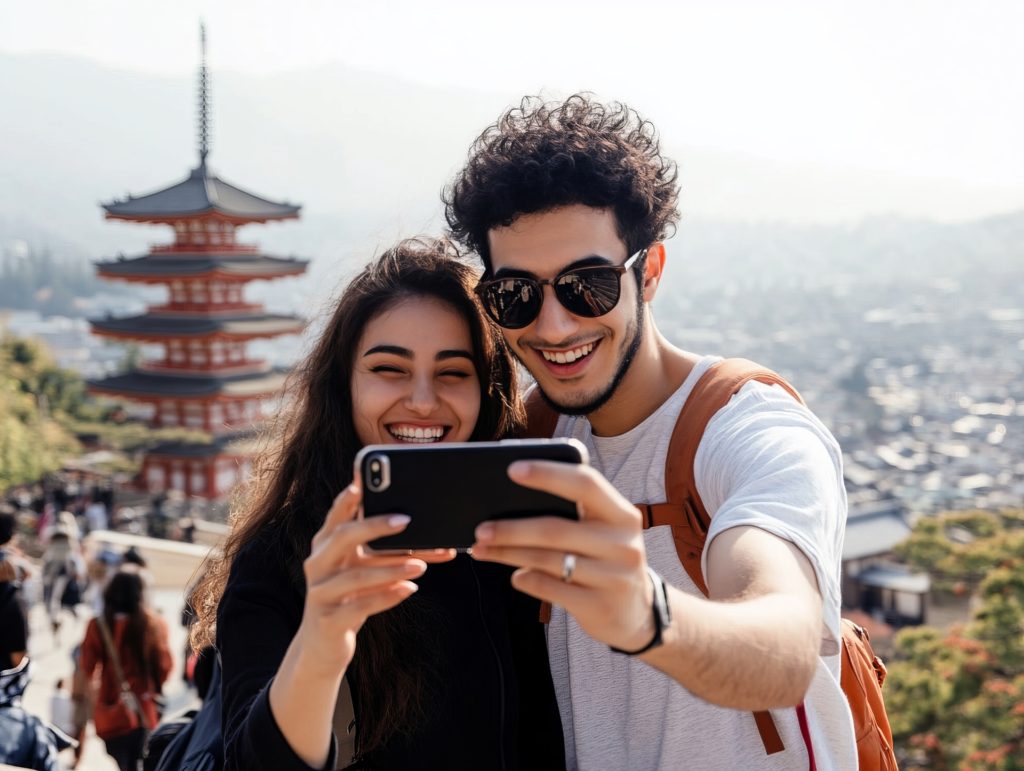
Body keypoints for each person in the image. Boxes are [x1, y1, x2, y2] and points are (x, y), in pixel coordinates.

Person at [445, 95, 857, 769]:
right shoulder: (528, 438)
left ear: (651, 273)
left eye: (589, 285)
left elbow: (784, 646)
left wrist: (647, 615)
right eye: (516, 294)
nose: (552, 327)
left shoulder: (749, 432)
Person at [189, 238, 565, 770]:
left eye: (454, 372)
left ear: (488, 389)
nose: (421, 400)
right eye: (389, 368)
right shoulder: (285, 556)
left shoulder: (515, 540)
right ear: (343, 386)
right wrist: (323, 636)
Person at [79, 570, 173, 771]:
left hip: (110, 708)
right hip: (144, 709)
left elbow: (86, 668)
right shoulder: (154, 624)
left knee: (124, 764)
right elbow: (165, 667)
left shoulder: (97, 625)